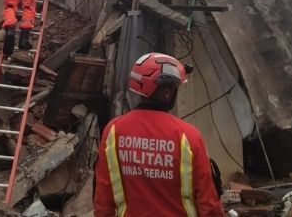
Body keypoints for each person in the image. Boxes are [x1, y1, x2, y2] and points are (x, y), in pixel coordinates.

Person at [94, 52, 224, 217]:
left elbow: (103, 199)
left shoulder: (113, 131)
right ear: (167, 92)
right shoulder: (189, 137)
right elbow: (209, 206)